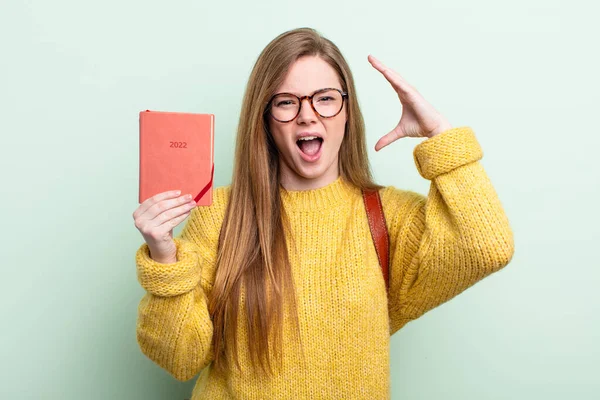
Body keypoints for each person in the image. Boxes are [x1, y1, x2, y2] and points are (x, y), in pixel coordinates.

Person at [132, 27, 514, 399]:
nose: (307, 116)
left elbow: (487, 247)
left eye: (326, 98)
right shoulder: (219, 216)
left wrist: (439, 135)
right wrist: (165, 261)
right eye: (286, 102)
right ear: (264, 119)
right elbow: (179, 359)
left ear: (347, 112)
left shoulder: (386, 216)